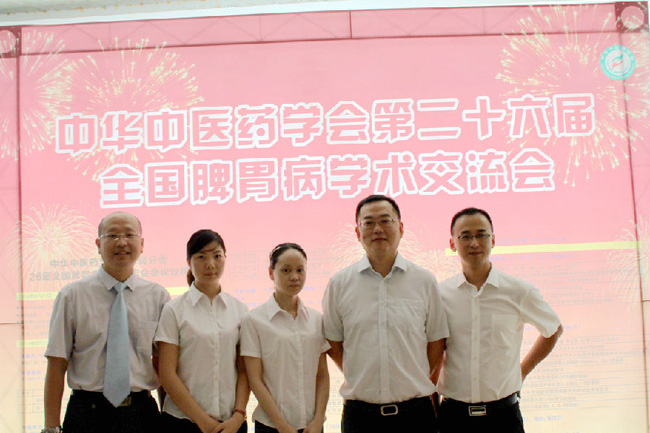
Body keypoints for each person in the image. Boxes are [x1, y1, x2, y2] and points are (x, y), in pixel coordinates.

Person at [322, 194, 448, 433]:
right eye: (368, 223)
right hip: (361, 417)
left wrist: (416, 375)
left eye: (385, 221)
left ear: (400, 228)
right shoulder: (339, 284)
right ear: (357, 233)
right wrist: (359, 372)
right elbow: (334, 343)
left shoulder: (424, 281)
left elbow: (436, 341)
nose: (377, 229)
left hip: (415, 414)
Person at [437, 207, 563, 433]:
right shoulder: (440, 294)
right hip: (453, 417)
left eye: (481, 235)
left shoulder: (518, 291)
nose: (474, 243)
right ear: (452, 243)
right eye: (465, 236)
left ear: (493, 240)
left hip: (503, 417)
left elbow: (553, 329)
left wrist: (522, 371)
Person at [42, 211, 171, 433]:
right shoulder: (72, 296)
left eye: (129, 235)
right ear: (98, 244)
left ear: (141, 244)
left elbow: (164, 367)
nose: (121, 242)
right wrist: (51, 428)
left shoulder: (158, 296)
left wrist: (169, 421)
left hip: (141, 414)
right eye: (112, 235)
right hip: (87, 414)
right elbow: (56, 364)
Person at [155, 229, 249, 433]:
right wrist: (203, 421)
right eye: (201, 257)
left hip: (231, 424)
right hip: (182, 422)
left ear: (225, 258)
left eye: (217, 256)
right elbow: (167, 373)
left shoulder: (239, 310)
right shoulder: (174, 310)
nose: (210, 264)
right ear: (188, 262)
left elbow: (244, 370)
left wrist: (238, 416)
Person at [241, 243, 330, 433]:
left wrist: (318, 420)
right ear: (271, 273)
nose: (294, 277)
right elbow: (255, 379)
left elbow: (322, 375)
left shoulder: (316, 319)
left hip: (312, 427)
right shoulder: (254, 320)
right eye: (286, 270)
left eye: (300, 270)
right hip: (271, 426)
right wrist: (281, 425)